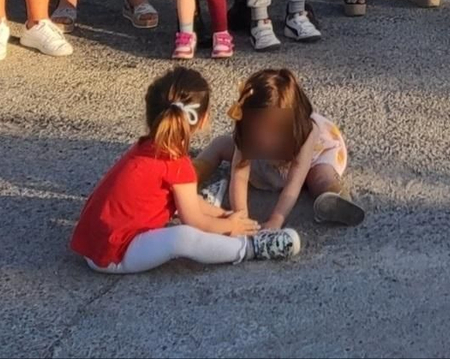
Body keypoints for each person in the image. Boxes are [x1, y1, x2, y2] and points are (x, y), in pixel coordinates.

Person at [70, 67, 300, 273]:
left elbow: (186, 200)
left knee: (187, 207)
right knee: (183, 237)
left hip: (94, 244)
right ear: (203, 120)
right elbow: (194, 220)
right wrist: (230, 226)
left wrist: (222, 215)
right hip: (117, 254)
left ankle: (229, 225)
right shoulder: (178, 165)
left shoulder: (145, 146)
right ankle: (250, 248)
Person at [194, 67, 365, 229]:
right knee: (221, 144)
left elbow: (294, 182)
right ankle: (191, 176)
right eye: (259, 131)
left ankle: (336, 199)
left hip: (312, 158)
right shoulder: (249, 129)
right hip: (265, 160)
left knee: (318, 177)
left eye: (273, 131)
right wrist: (241, 215)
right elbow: (239, 174)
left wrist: (276, 219)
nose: (266, 140)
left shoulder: (305, 132)